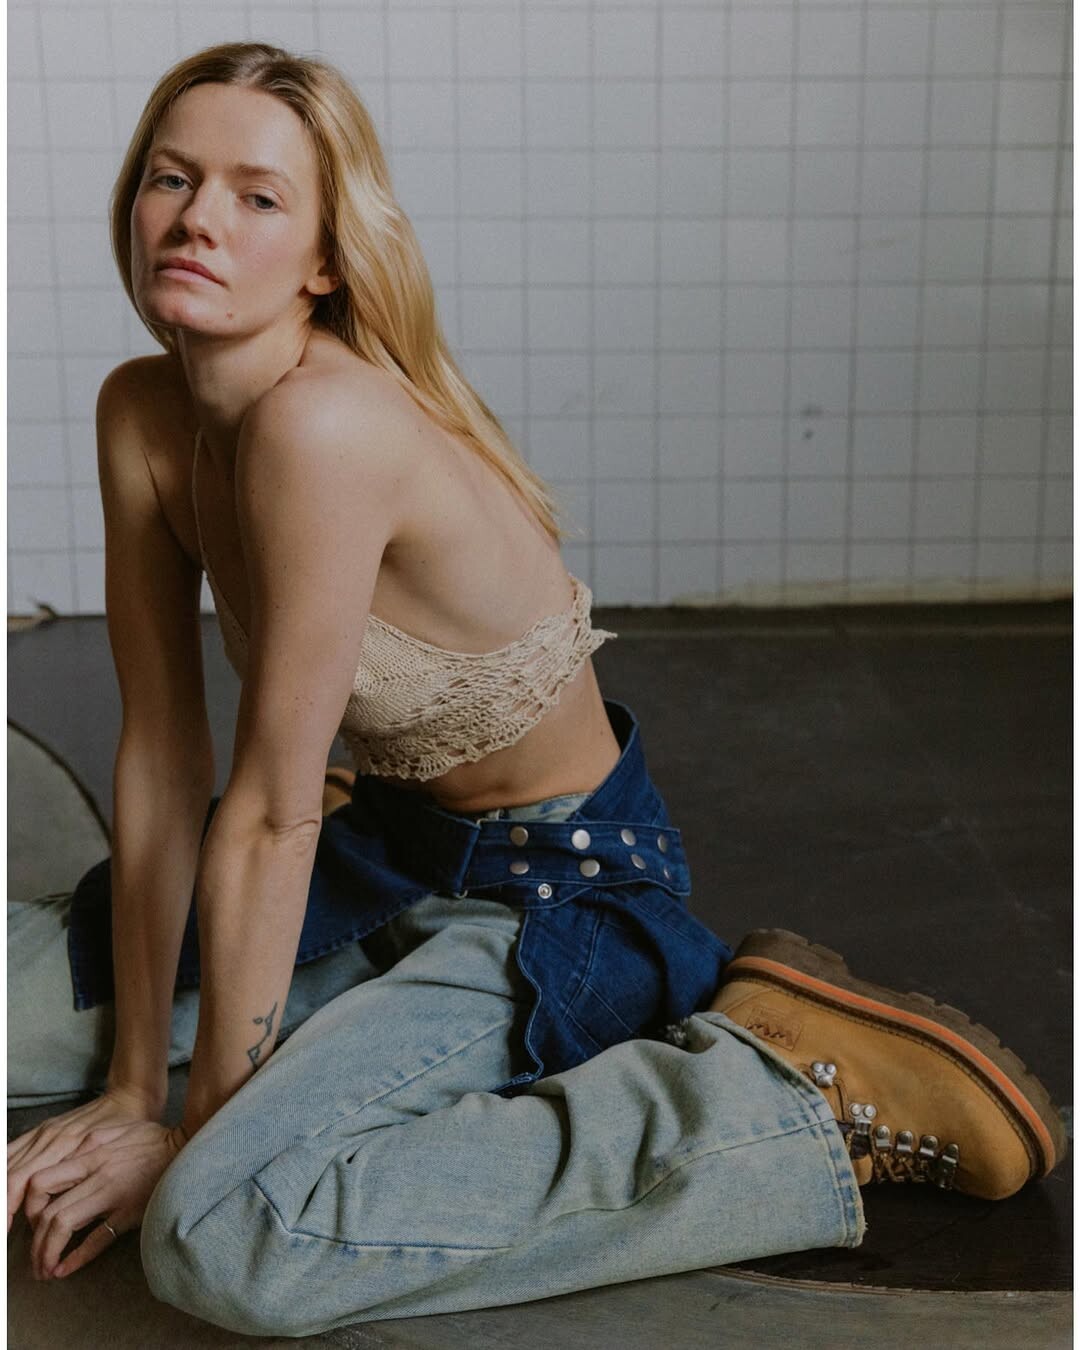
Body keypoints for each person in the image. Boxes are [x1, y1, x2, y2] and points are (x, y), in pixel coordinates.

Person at [6, 42, 1066, 1337]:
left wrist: (189, 1141)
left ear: (327, 257)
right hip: (378, 851)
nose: (198, 219)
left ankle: (775, 1094)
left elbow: (269, 814)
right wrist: (128, 1090)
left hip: (551, 895)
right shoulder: (142, 413)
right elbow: (166, 762)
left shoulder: (320, 426)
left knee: (223, 1231)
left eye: (258, 195)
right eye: (172, 179)